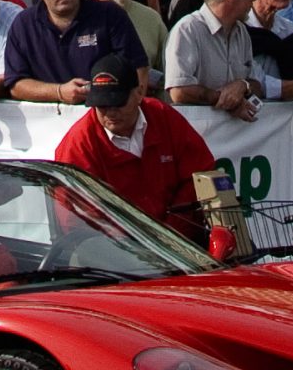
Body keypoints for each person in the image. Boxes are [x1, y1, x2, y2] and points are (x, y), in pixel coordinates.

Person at [54, 54, 217, 237]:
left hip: (178, 239)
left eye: (118, 103)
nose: (110, 112)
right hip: (112, 250)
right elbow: (74, 214)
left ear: (139, 93)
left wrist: (172, 231)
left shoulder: (162, 116)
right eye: (102, 105)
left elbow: (201, 171)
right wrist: (131, 245)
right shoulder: (79, 144)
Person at [5, 0, 147, 102]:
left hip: (105, 115)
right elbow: (15, 84)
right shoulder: (24, 24)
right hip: (47, 121)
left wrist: (130, 106)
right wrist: (59, 92)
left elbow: (139, 69)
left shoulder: (110, 15)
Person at [162, 0, 262, 117]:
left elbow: (256, 83)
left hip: (236, 138)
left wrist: (242, 86)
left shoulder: (241, 32)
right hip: (195, 136)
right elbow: (179, 91)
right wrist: (226, 100)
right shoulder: (188, 29)